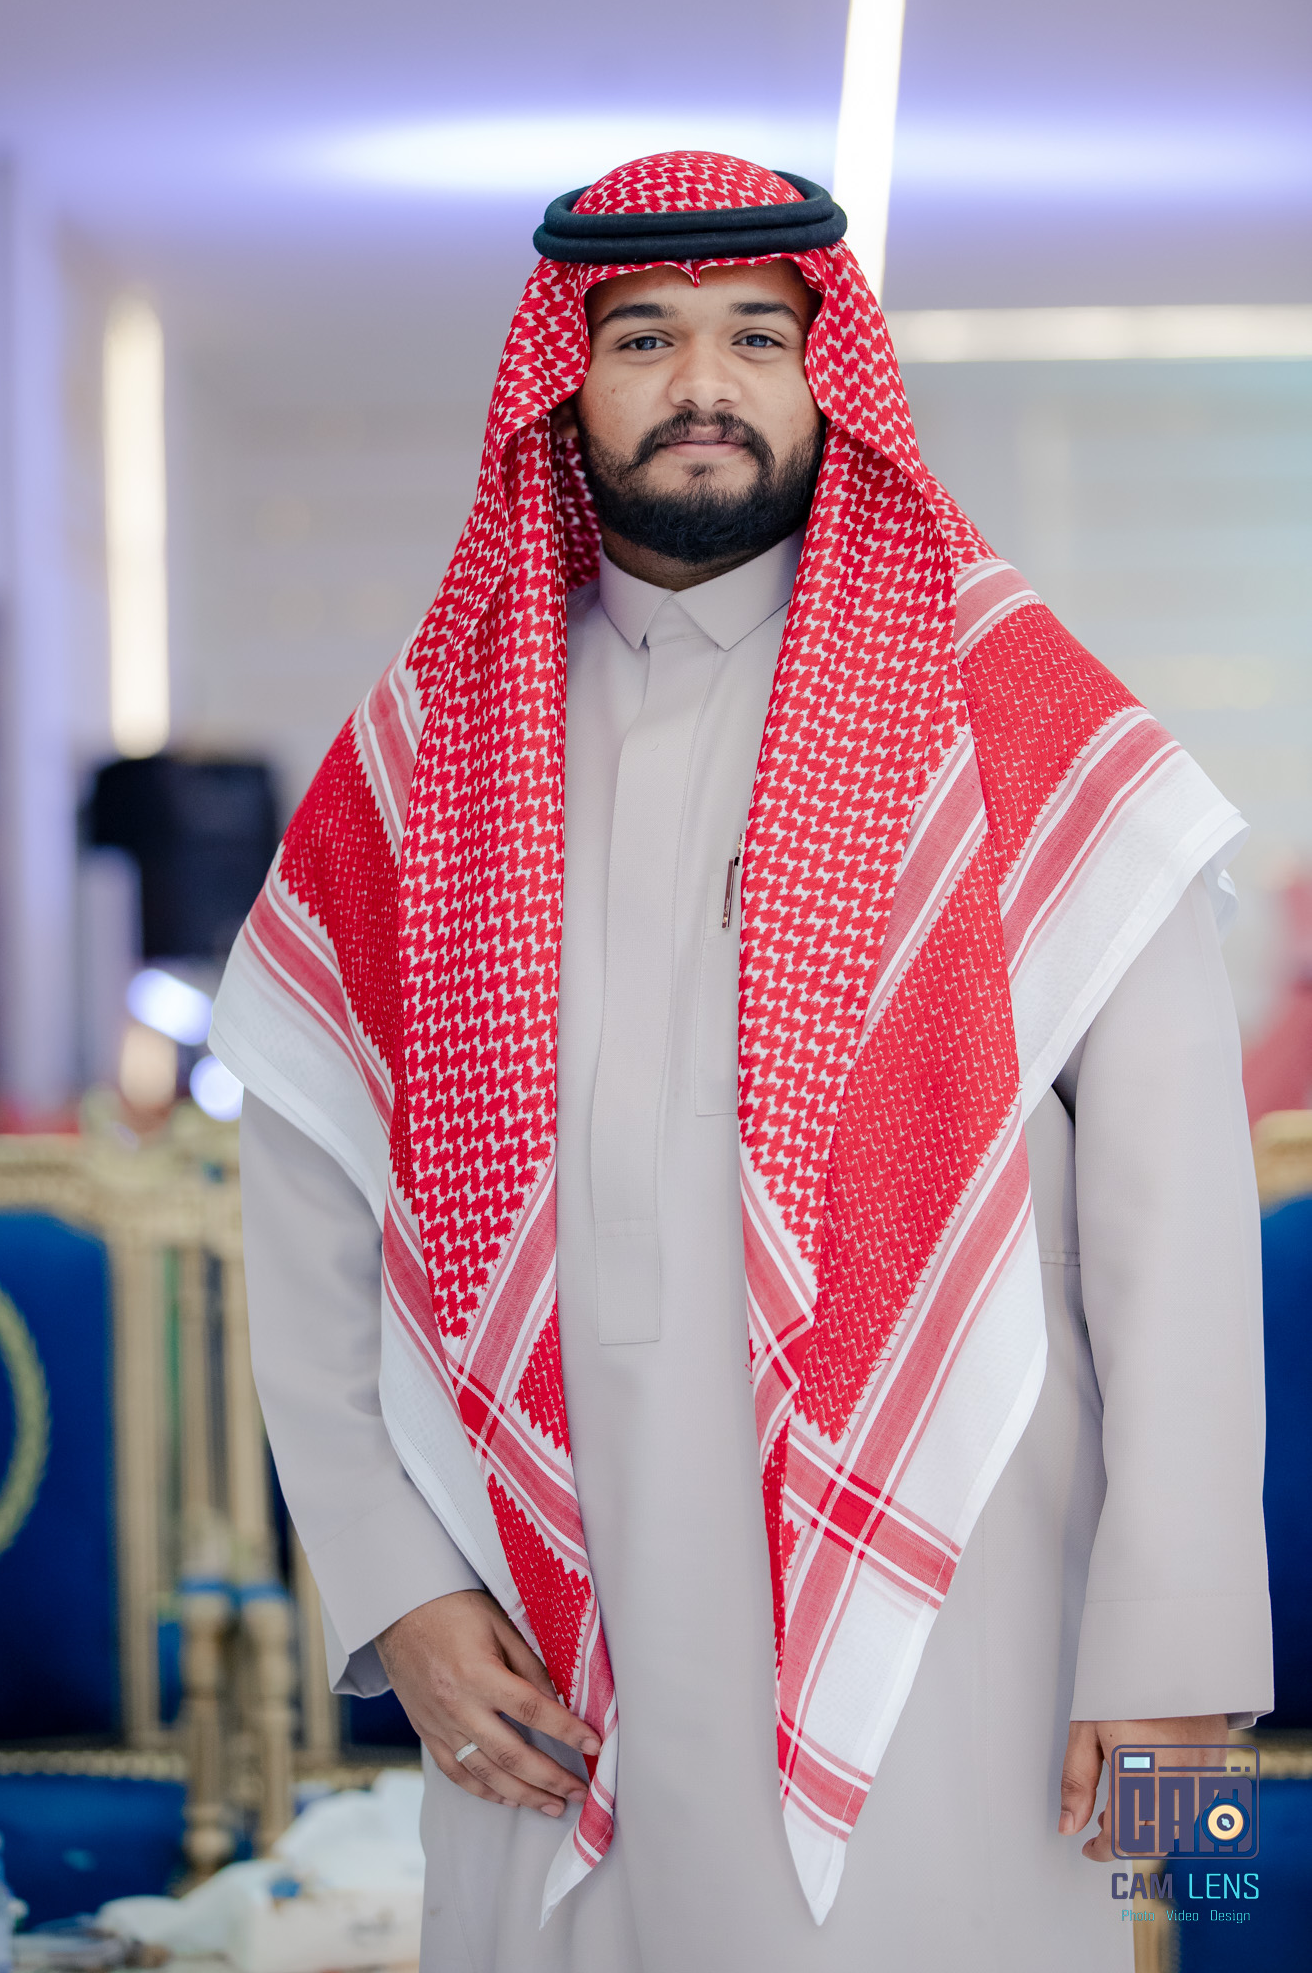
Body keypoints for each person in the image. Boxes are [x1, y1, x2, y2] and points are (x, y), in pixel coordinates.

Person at [211, 153, 1271, 1971]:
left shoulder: (1024, 729)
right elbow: (307, 1217)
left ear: (824, 377)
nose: (701, 382)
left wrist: (1172, 1659)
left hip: (962, 1614)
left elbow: (1175, 1236)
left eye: (755, 338)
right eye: (643, 337)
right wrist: (397, 1592)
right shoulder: (423, 760)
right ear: (562, 386)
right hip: (541, 1624)